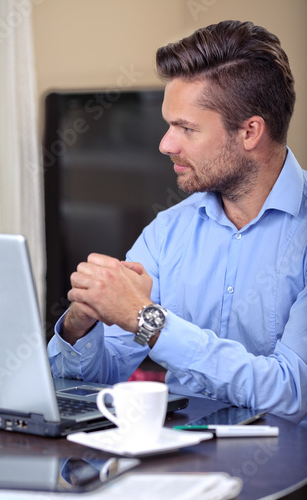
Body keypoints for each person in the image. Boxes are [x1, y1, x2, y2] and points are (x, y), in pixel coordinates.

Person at [48, 20, 307, 424]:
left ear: (250, 132)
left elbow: (293, 391)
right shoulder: (168, 232)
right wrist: (80, 328)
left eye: (185, 128)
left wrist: (147, 321)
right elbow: (94, 383)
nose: (165, 144)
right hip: (177, 466)